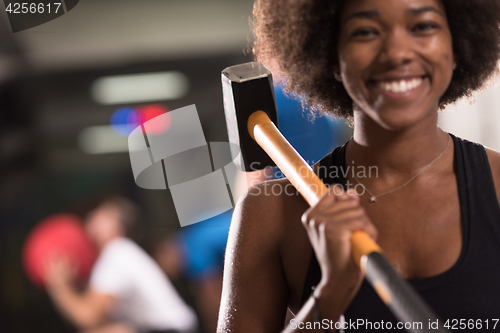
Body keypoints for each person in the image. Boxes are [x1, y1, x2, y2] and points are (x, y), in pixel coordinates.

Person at [217, 0, 500, 332]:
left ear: (456, 45)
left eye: (423, 26)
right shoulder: (270, 215)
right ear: (331, 55)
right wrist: (330, 293)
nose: (397, 53)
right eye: (365, 31)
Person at [44, 196, 198, 333]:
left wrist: (59, 285)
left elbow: (87, 316)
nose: (92, 217)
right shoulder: (121, 254)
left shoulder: (117, 251)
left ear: (119, 227)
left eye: (103, 215)